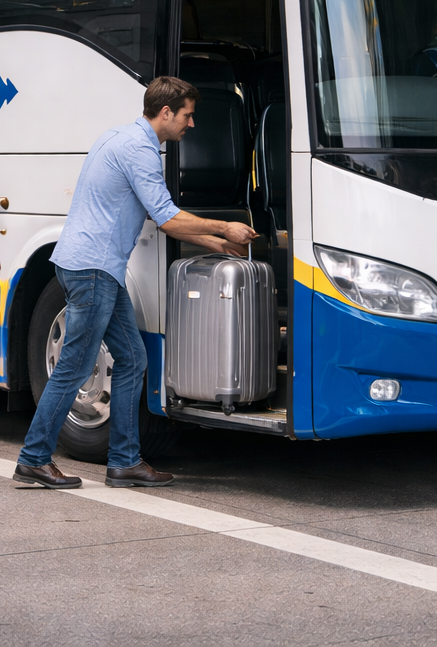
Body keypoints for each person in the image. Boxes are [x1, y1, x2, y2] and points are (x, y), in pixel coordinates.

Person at [14, 76, 257, 491]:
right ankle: (34, 458)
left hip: (94, 268)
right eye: (187, 115)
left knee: (132, 358)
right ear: (165, 112)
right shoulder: (139, 151)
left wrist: (216, 244)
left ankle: (125, 462)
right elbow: (167, 217)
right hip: (93, 270)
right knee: (75, 365)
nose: (191, 124)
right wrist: (225, 226)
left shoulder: (118, 138)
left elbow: (153, 215)